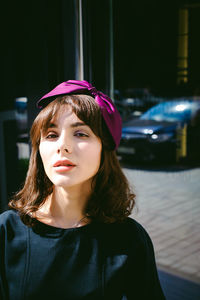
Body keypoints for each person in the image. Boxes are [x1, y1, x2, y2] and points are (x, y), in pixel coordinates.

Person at [0, 80, 165, 300]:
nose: (63, 145)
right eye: (51, 135)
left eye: (80, 134)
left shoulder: (128, 239)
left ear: (104, 149)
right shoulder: (7, 231)